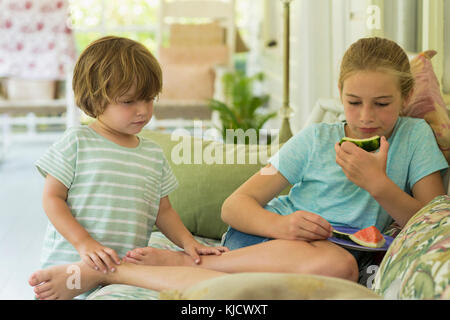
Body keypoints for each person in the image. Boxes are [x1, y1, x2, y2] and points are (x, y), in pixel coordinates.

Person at [29, 37, 448, 299]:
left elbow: (428, 218)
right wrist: (282, 227)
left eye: (383, 103)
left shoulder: (414, 139)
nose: (365, 117)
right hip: (265, 239)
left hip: (336, 252)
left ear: (406, 96)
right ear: (339, 93)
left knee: (340, 264)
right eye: (353, 102)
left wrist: (377, 184)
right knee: (337, 264)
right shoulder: (315, 140)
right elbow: (235, 206)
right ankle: (167, 265)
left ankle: (142, 268)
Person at [33, 36, 227, 298]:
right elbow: (52, 198)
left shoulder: (153, 154)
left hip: (124, 273)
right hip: (69, 268)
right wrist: (84, 243)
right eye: (129, 101)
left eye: (149, 99)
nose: (143, 111)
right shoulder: (77, 142)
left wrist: (188, 243)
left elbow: (164, 210)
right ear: (95, 98)